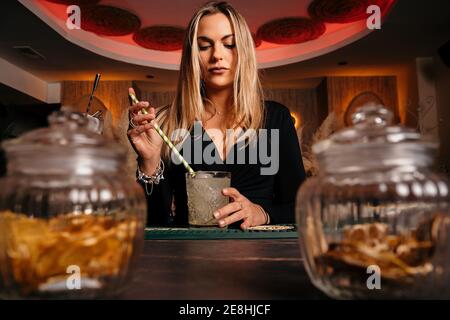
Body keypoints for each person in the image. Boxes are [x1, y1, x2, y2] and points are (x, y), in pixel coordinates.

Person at [127, 1, 306, 229]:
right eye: (204, 46)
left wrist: (261, 213)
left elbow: (302, 209)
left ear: (243, 51)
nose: (217, 55)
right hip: (188, 259)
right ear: (192, 56)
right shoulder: (169, 123)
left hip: (259, 257)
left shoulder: (275, 118)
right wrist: (149, 162)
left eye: (229, 44)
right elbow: (155, 224)